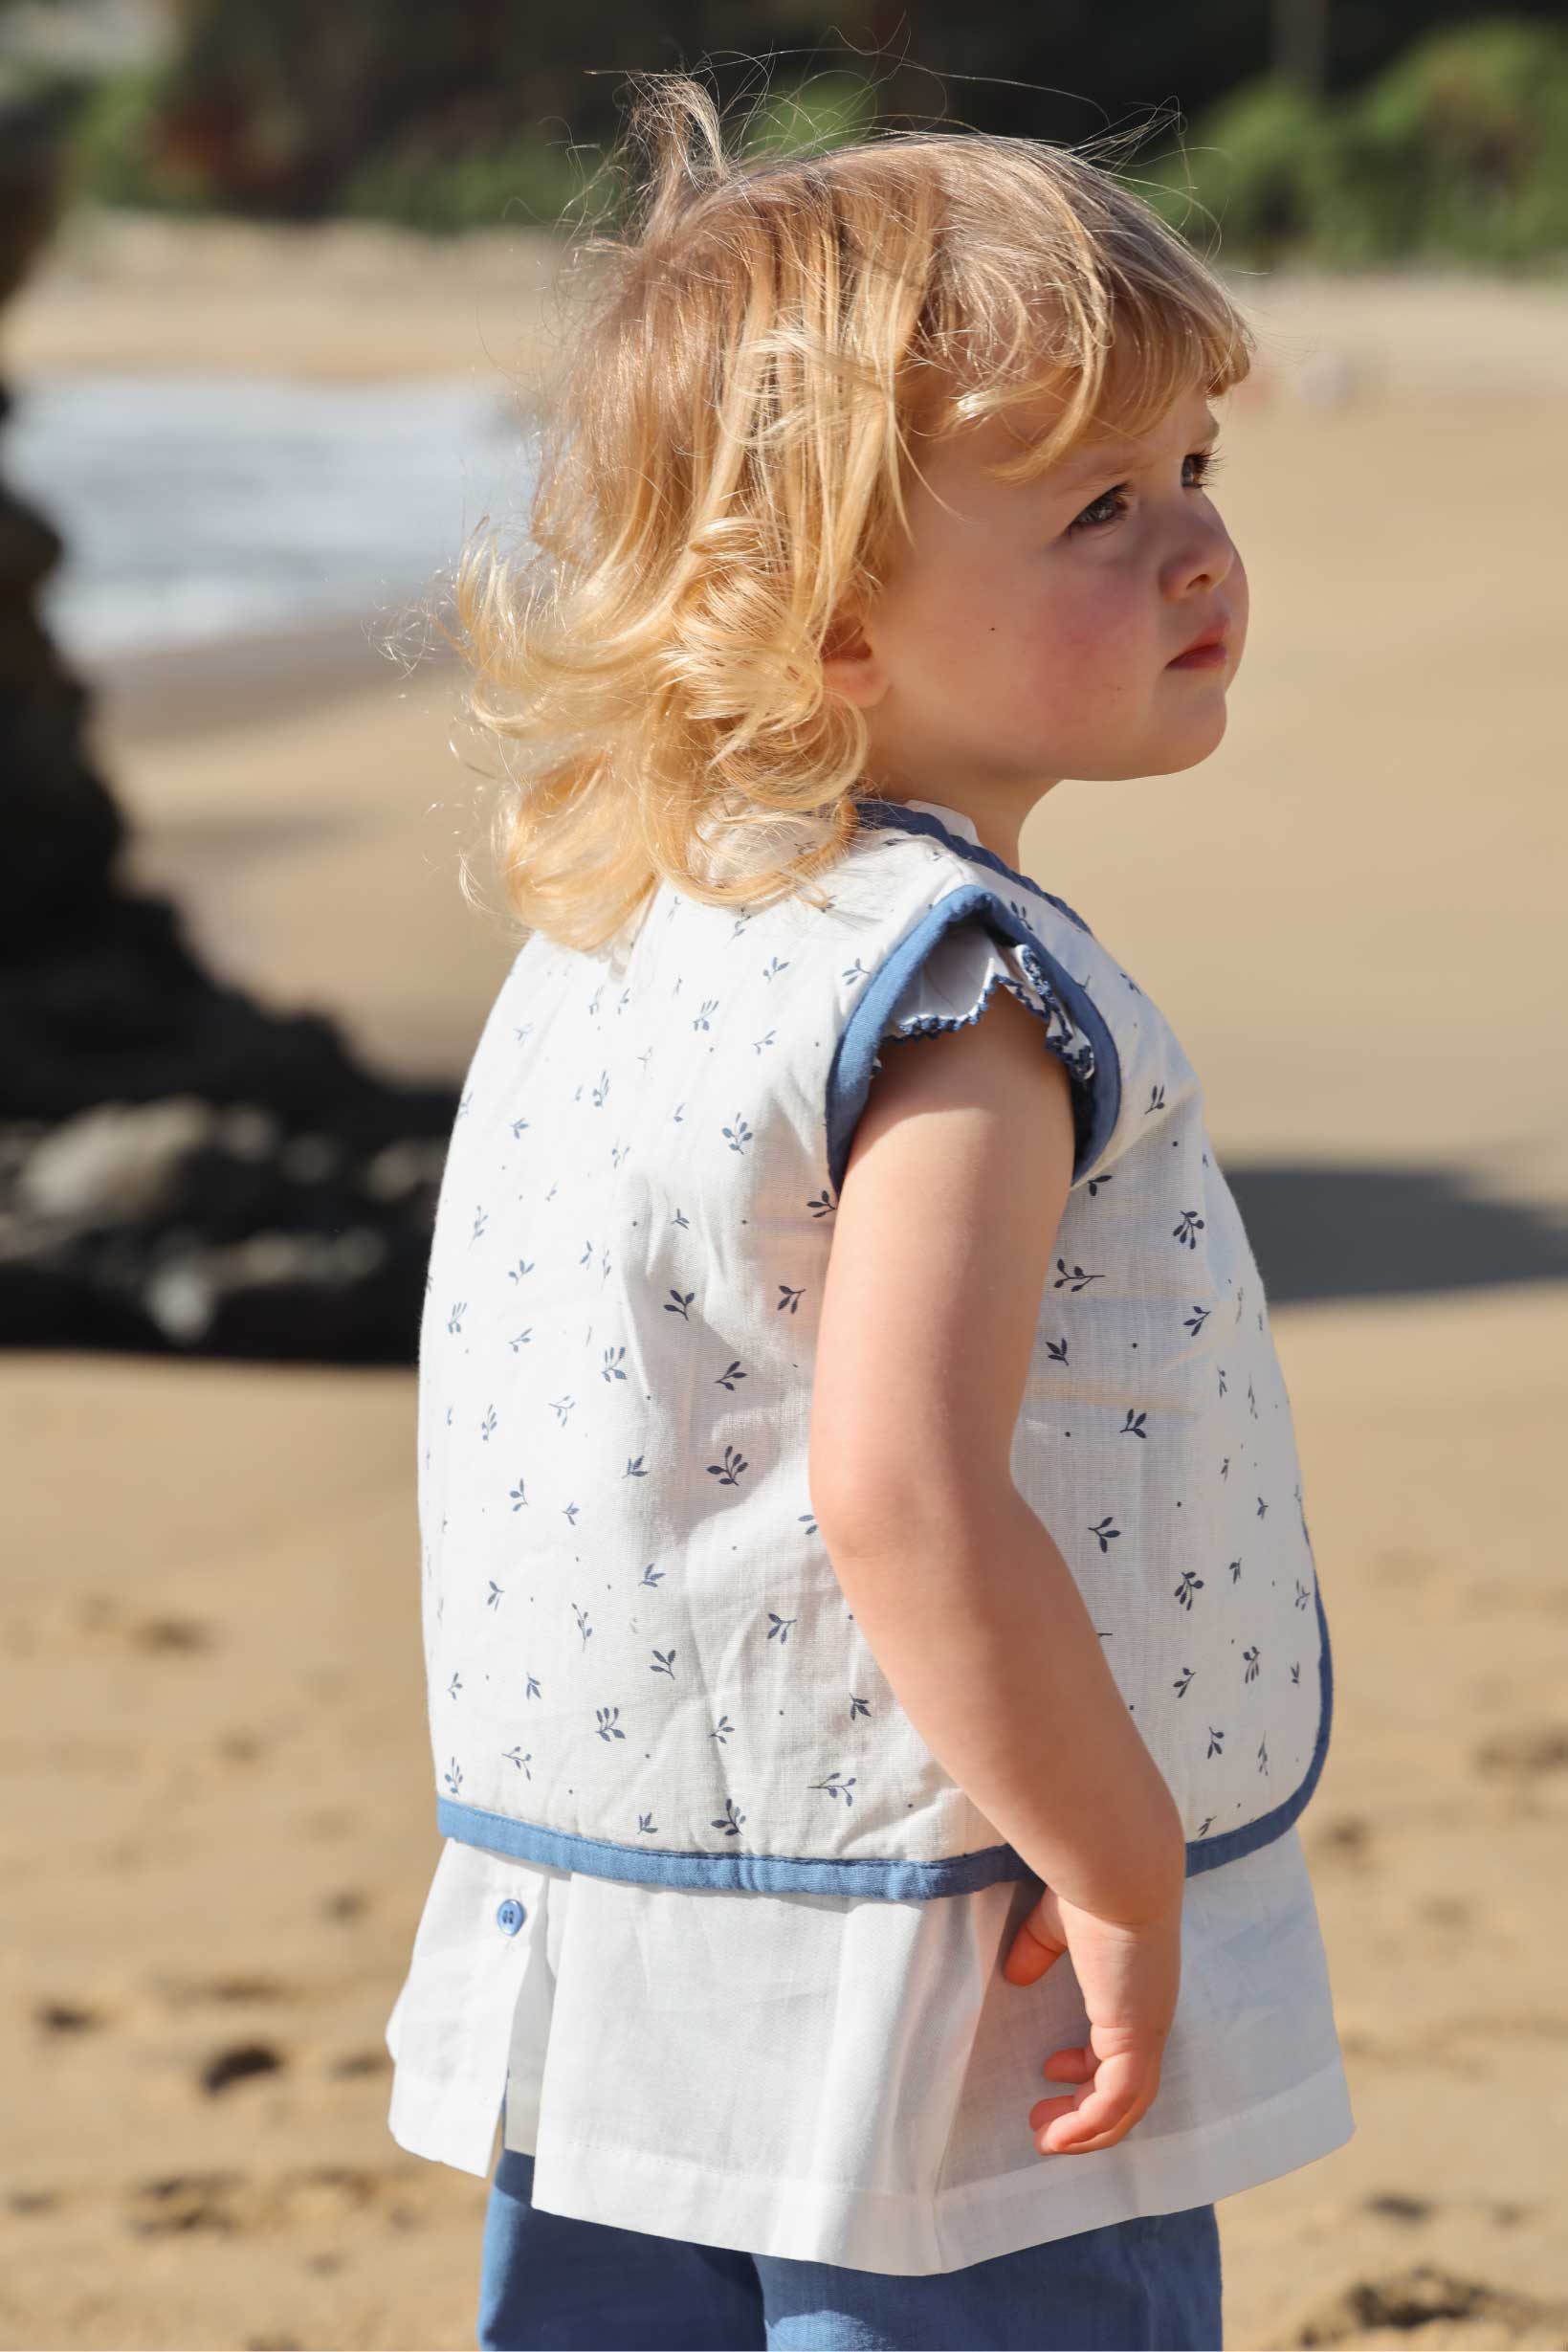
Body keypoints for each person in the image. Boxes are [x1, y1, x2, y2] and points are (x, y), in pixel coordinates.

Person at [382, 70, 1354, 2352]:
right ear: (824, 615)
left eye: (1196, 470)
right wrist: (1108, 1848)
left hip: (619, 1948)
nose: (1196, 551)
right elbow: (900, 1480)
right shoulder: (959, 998)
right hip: (933, 1958)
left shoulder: (633, 938)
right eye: (1098, 505)